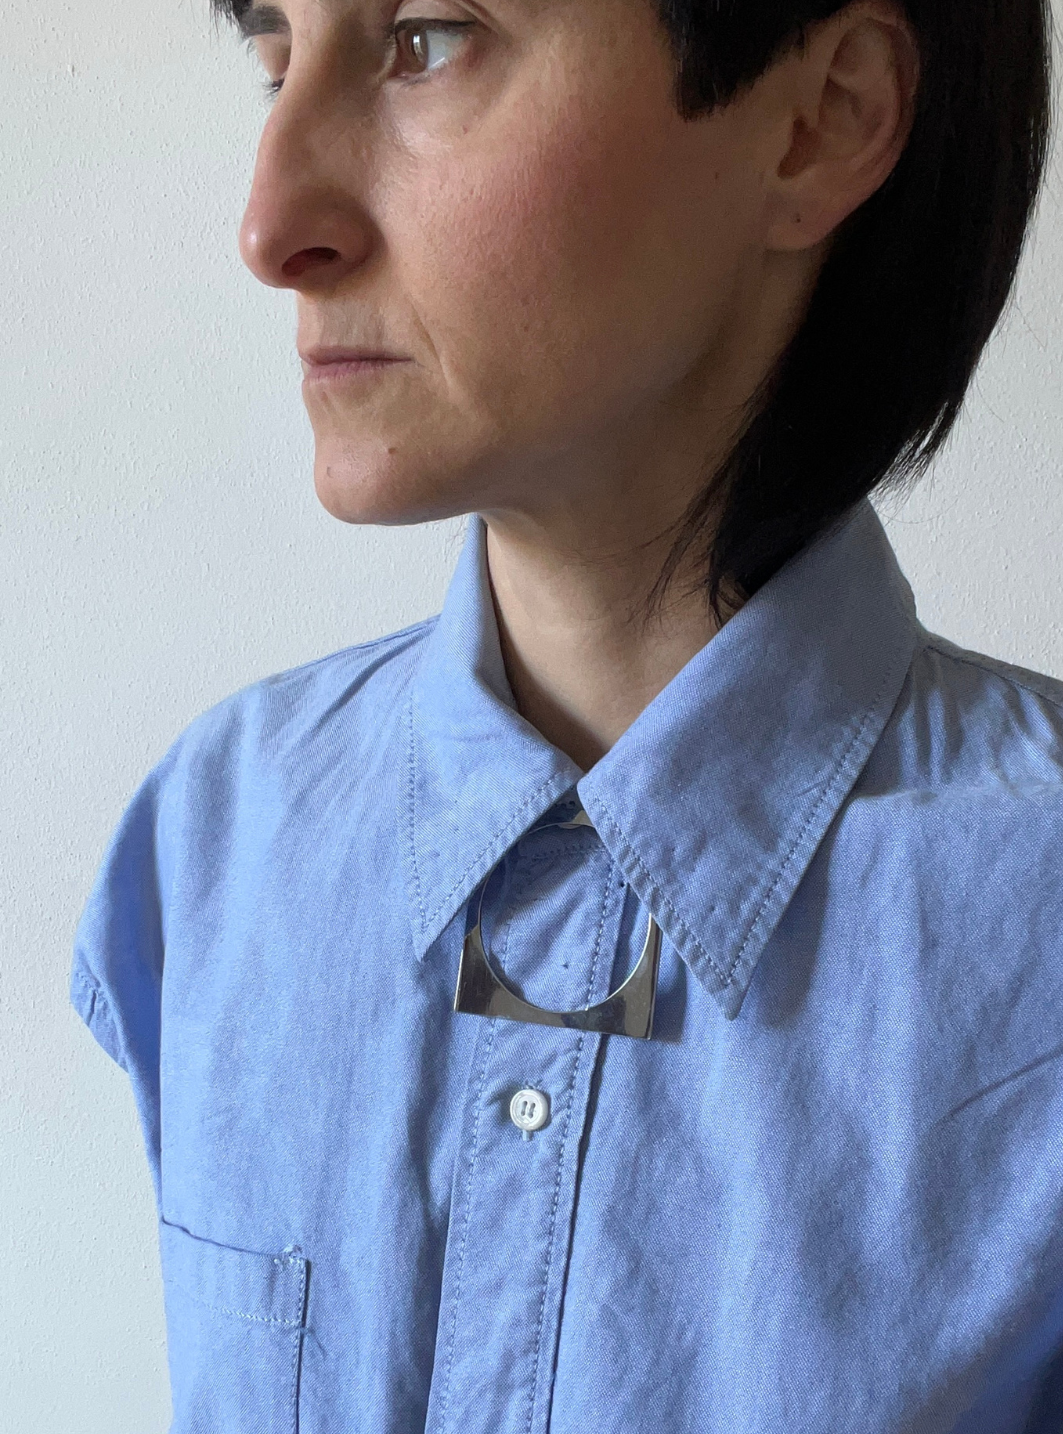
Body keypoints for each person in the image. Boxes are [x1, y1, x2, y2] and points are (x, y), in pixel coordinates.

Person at [69, 0, 1063, 1428]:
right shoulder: (216, 839)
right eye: (275, 59)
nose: (271, 226)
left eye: (425, 40)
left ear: (821, 117)